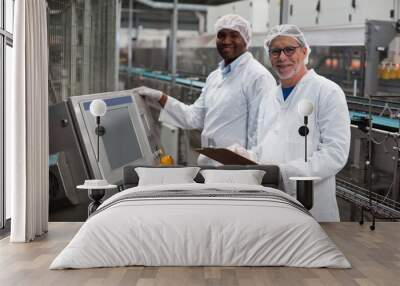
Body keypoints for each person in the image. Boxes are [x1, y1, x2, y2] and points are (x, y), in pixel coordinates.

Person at [232, 24, 351, 222]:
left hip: (312, 207)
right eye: (275, 51)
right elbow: (265, 148)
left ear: (304, 52)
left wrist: (283, 172)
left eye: (289, 49)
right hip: (271, 204)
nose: (282, 57)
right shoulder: (270, 96)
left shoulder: (327, 91)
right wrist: (246, 156)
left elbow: (335, 154)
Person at [138, 14, 277, 165]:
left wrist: (251, 173)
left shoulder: (258, 77)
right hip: (209, 165)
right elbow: (194, 117)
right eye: (221, 35)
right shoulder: (215, 77)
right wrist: (160, 97)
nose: (226, 41)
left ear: (246, 40)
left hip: (237, 170)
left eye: (234, 35)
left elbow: (259, 134)